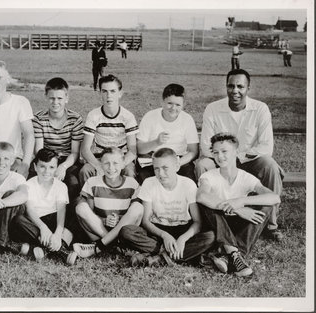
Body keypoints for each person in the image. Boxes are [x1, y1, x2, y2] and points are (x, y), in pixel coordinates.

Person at [196, 69, 285, 241]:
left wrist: (237, 157)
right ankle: (209, 221)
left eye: (240, 86)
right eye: (231, 86)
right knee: (202, 165)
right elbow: (206, 147)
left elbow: (266, 147)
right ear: (226, 87)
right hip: (220, 160)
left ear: (248, 88)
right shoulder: (213, 109)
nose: (235, 91)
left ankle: (270, 225)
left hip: (248, 160)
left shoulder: (260, 109)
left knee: (270, 165)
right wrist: (224, 158)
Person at [197, 133, 281, 277]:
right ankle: (235, 255)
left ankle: (227, 254)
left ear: (236, 152)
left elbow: (274, 197)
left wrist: (241, 202)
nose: (220, 156)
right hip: (218, 222)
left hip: (238, 224)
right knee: (207, 205)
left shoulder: (246, 177)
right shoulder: (208, 176)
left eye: (224, 151)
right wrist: (237, 209)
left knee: (266, 205)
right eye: (215, 152)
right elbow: (201, 196)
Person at [119, 148, 215, 267]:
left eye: (165, 168)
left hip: (182, 229)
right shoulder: (149, 183)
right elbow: (145, 221)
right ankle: (177, 255)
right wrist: (164, 235)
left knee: (210, 237)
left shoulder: (188, 184)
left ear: (176, 166)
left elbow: (197, 222)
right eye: (156, 169)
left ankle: (160, 258)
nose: (161, 174)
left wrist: (183, 239)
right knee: (126, 231)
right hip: (158, 232)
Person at [73, 147, 143, 258]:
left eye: (115, 163)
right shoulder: (92, 182)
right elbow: (91, 214)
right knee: (80, 207)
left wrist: (118, 219)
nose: (111, 168)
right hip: (100, 230)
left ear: (123, 165)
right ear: (100, 164)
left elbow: (133, 216)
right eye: (106, 163)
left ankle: (100, 246)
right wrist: (105, 220)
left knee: (138, 207)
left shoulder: (132, 183)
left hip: (123, 231)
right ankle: (114, 245)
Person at [12, 149, 78, 265]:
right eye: (42, 167)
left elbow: (61, 211)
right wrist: (43, 228)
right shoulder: (28, 185)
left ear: (56, 168)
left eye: (52, 167)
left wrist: (57, 234)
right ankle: (61, 251)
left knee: (74, 214)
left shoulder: (61, 186)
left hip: (55, 220)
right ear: (35, 167)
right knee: (18, 220)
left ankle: (46, 248)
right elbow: (30, 210)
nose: (47, 171)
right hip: (36, 222)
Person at [31, 77, 84, 203]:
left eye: (59, 98)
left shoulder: (75, 119)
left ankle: (67, 216)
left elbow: (75, 152)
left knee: (72, 183)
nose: (55, 102)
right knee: (32, 180)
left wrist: (63, 167)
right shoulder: (38, 119)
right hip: (46, 158)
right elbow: (39, 150)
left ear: (67, 98)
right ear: (46, 97)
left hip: (68, 160)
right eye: (52, 98)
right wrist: (50, 167)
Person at [79, 74, 138, 185]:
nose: (108, 96)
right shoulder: (93, 115)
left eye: (113, 91)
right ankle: (88, 200)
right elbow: (85, 149)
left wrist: (121, 164)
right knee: (85, 171)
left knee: (129, 172)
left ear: (120, 93)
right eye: (104, 91)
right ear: (100, 93)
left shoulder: (128, 116)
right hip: (100, 157)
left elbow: (133, 150)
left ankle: (127, 201)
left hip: (121, 158)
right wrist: (98, 166)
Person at [136, 83, 199, 184]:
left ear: (184, 105)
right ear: (162, 102)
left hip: (178, 160)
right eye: (170, 103)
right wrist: (156, 142)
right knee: (146, 182)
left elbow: (193, 151)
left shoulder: (187, 119)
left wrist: (177, 164)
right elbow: (139, 149)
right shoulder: (150, 116)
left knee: (190, 184)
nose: (173, 108)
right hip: (154, 158)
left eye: (178, 105)